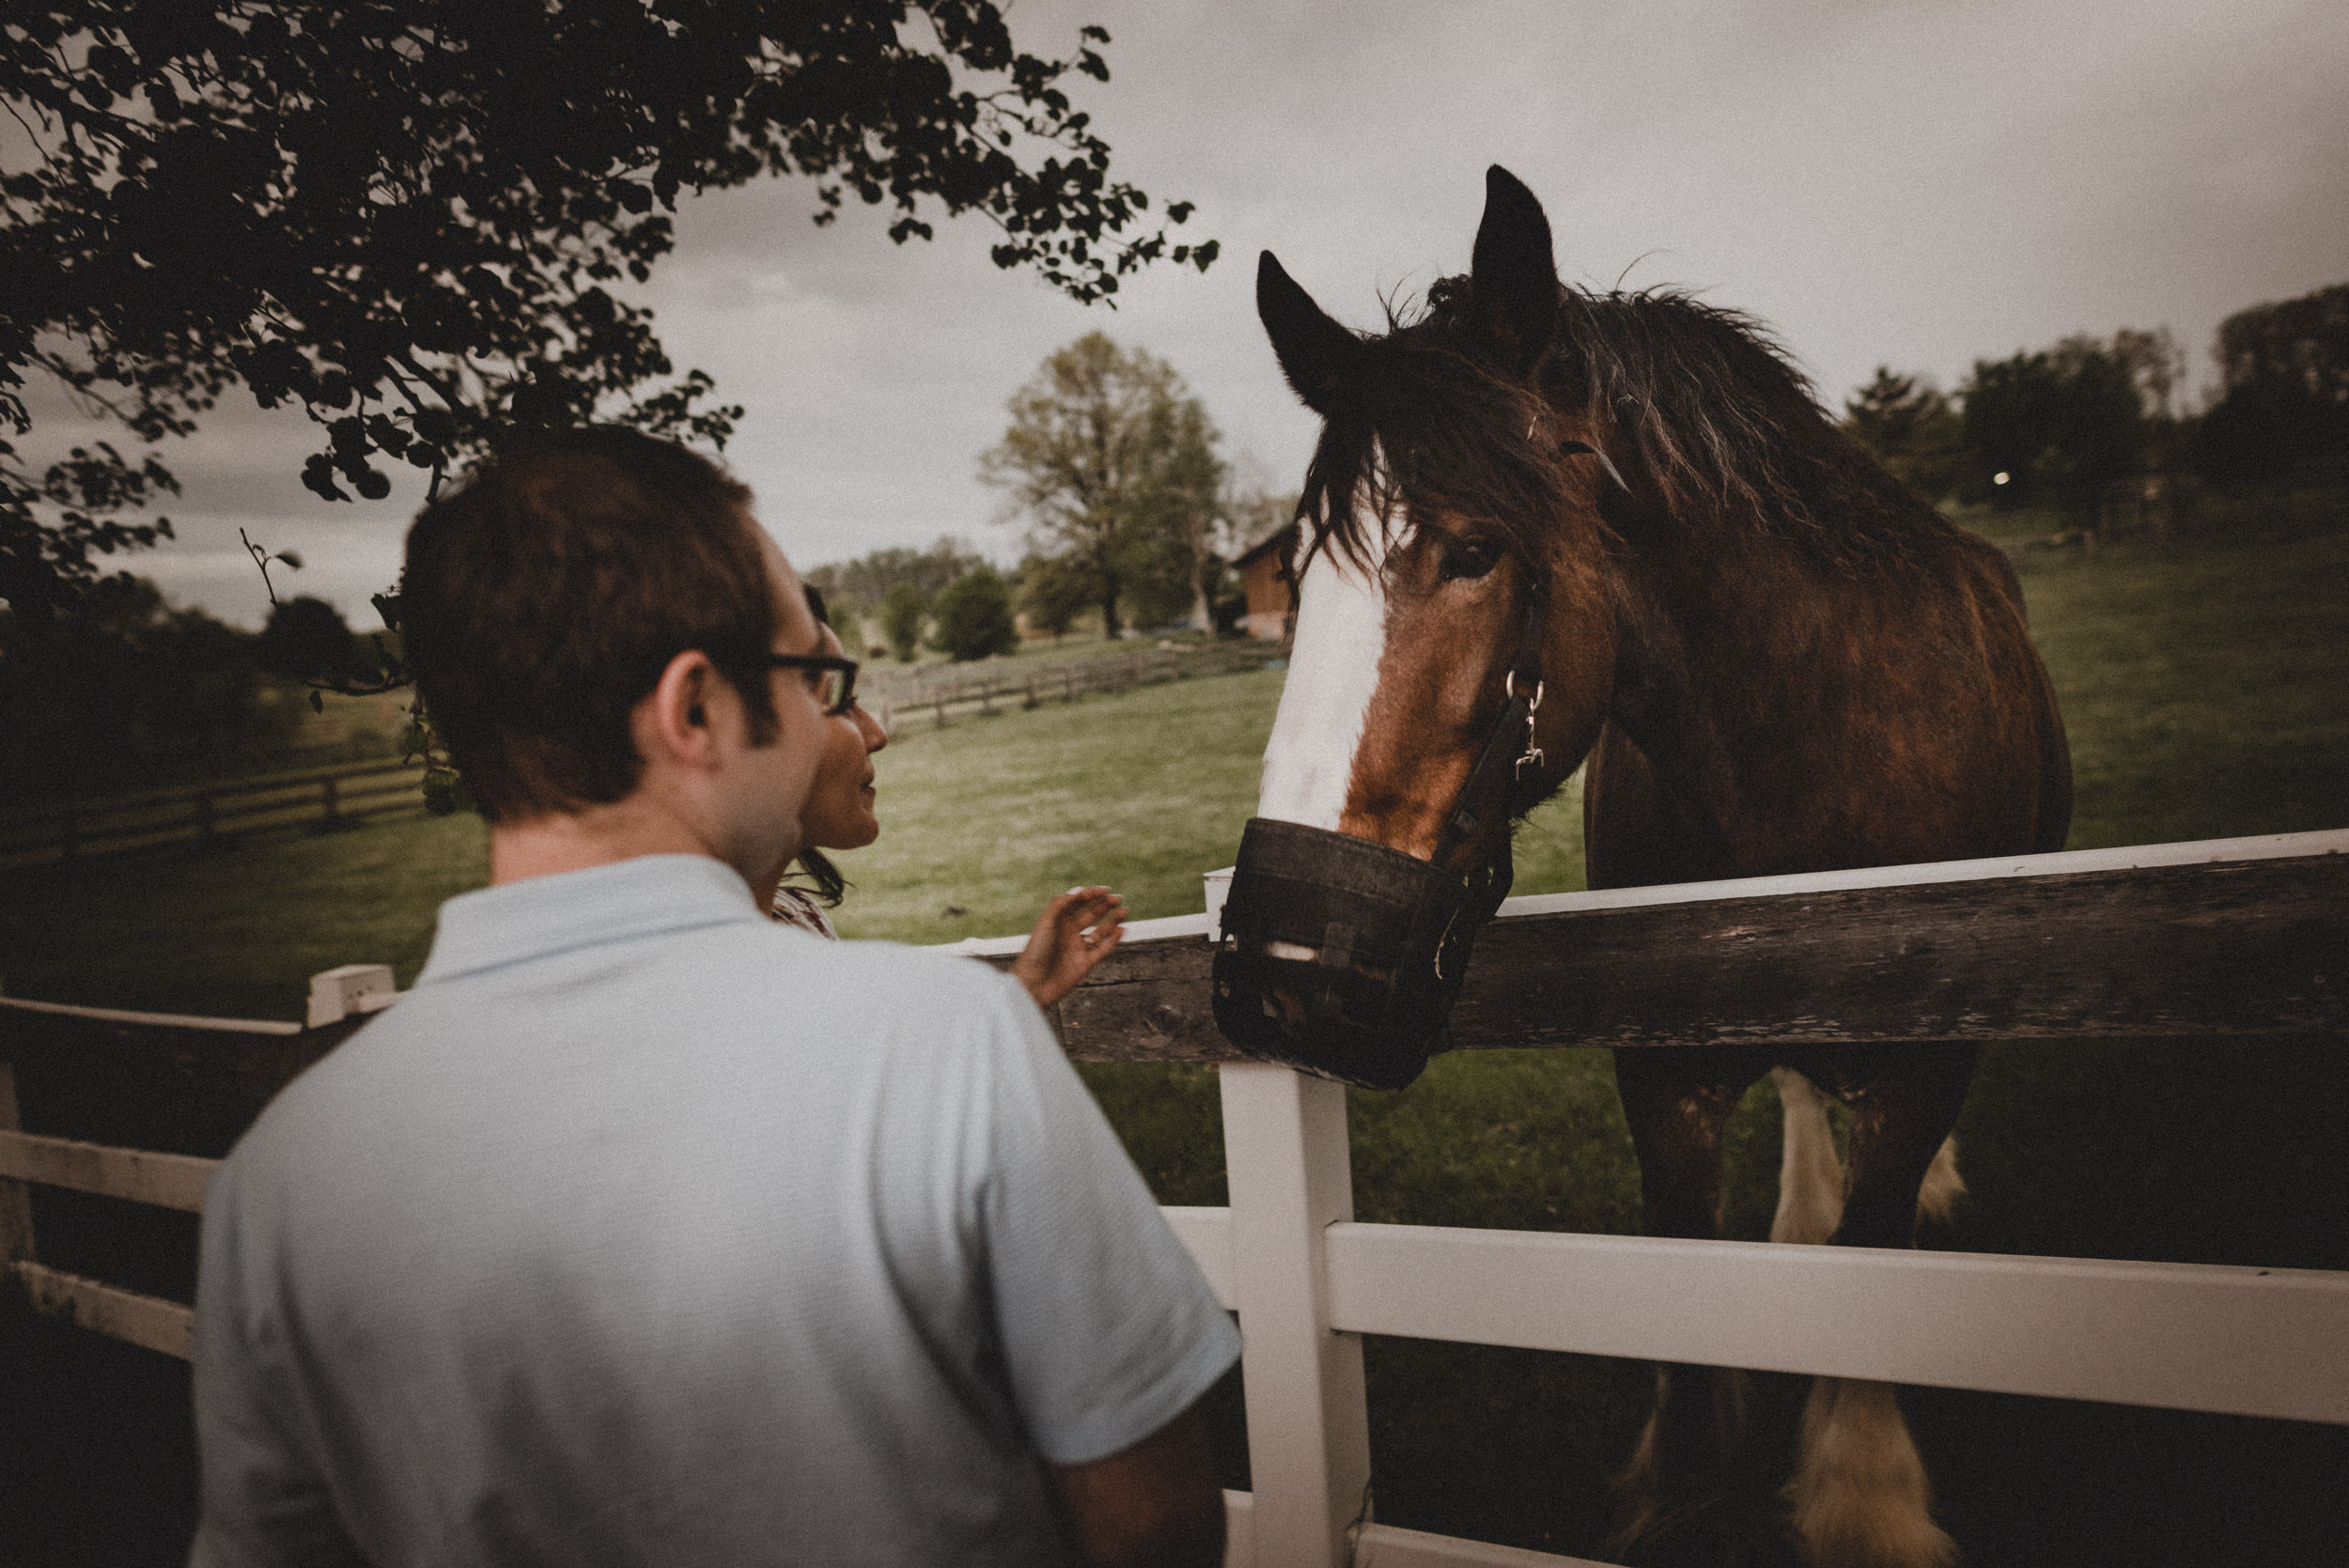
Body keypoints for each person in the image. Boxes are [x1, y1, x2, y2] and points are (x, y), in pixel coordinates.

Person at [188, 427, 1238, 1568]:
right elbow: (1154, 1520)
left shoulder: (279, 1180)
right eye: (813, 678)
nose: (844, 718)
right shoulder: (943, 1046)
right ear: (695, 710)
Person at [765, 585, 1128, 1008]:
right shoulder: (745, 972)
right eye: (841, 702)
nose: (877, 736)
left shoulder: (793, 918)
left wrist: (1023, 992)